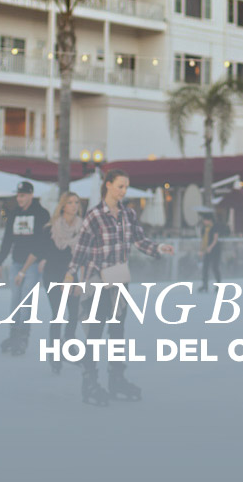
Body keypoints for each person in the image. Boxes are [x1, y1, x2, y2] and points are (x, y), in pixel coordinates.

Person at [64, 169, 175, 406]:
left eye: (126, 187)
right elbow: (81, 248)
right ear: (108, 186)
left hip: (119, 280)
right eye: (120, 186)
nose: (123, 191)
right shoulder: (94, 215)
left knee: (117, 332)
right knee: (95, 332)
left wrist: (158, 248)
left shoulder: (128, 214)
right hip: (97, 280)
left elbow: (139, 240)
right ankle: (89, 382)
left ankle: (116, 378)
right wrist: (71, 273)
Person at [16, 191, 83, 374]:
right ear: (63, 205)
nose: (74, 205)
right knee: (58, 314)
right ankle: (54, 355)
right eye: (70, 202)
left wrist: (80, 282)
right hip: (53, 275)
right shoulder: (51, 229)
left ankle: (68, 343)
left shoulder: (82, 229)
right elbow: (37, 251)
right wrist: (23, 271)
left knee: (74, 312)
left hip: (72, 274)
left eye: (76, 202)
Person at [0, 181, 50, 356]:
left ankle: (23, 337)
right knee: (15, 300)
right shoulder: (14, 214)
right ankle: (13, 335)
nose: (19, 199)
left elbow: (45, 240)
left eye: (23, 195)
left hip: (33, 264)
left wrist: (43, 259)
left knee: (27, 300)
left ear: (31, 195)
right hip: (17, 261)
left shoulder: (41, 214)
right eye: (18, 195)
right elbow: (7, 238)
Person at [198, 212, 222, 292]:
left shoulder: (215, 227)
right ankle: (205, 285)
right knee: (205, 267)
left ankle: (218, 285)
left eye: (205, 220)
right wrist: (202, 250)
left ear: (209, 220)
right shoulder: (204, 228)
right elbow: (203, 240)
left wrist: (210, 247)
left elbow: (215, 239)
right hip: (206, 250)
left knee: (215, 267)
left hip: (215, 250)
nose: (204, 222)